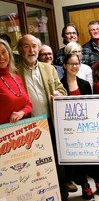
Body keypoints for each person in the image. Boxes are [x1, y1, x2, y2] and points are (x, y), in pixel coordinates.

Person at [16, 34, 68, 200]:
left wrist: (58, 94)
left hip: (50, 124)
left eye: (34, 46)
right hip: (28, 127)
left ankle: (62, 195)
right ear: (19, 49)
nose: (31, 50)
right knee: (34, 166)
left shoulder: (49, 69)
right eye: (26, 46)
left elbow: (62, 90)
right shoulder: (14, 71)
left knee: (57, 163)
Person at [60, 53, 99, 200]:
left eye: (77, 63)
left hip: (86, 127)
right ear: (64, 66)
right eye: (71, 63)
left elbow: (90, 106)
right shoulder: (59, 85)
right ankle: (84, 186)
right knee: (77, 160)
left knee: (92, 156)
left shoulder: (85, 84)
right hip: (69, 130)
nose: (74, 66)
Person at [0, 38, 32, 124]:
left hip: (23, 132)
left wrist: (21, 113)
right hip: (4, 134)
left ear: (9, 54)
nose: (1, 57)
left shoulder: (16, 77)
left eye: (3, 52)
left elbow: (28, 104)